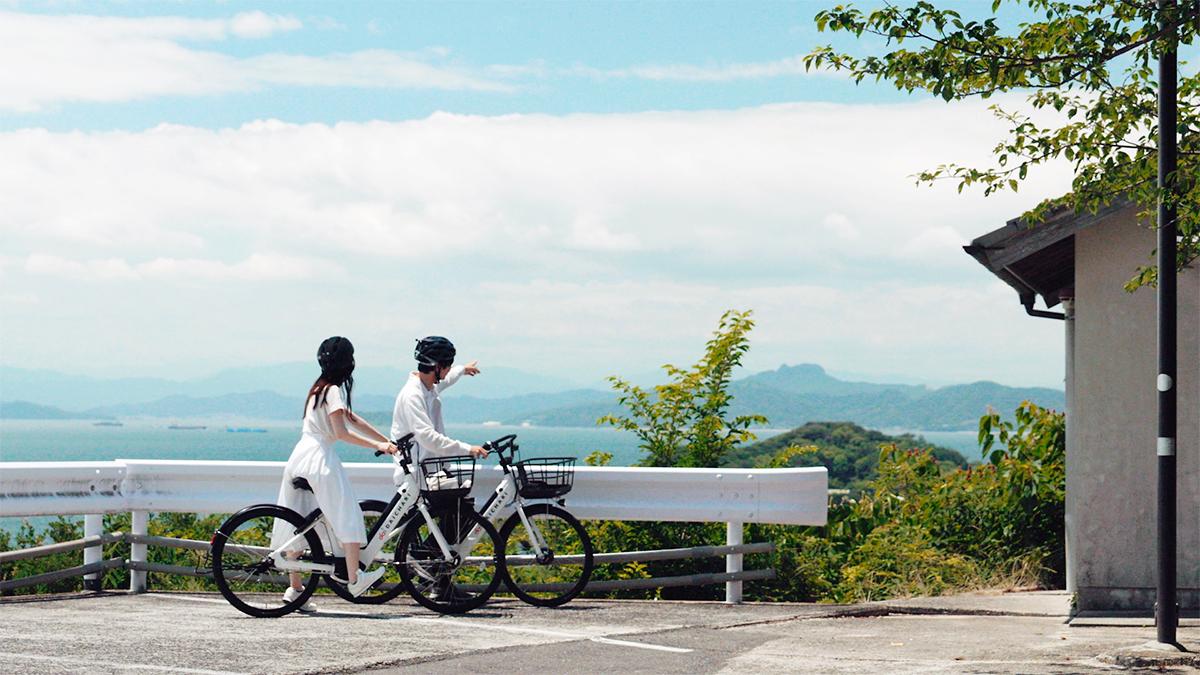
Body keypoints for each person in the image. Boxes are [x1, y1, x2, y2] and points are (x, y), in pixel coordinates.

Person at [271, 336, 396, 610]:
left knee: (300, 520)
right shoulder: (335, 390)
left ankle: (295, 589)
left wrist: (386, 441)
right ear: (348, 363)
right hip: (319, 459)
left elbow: (351, 418)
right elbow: (341, 432)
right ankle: (354, 578)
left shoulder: (318, 389)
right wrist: (378, 445)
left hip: (300, 456)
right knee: (348, 512)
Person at [390, 336, 489, 477]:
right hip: (415, 475)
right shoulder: (412, 395)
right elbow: (427, 437)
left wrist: (462, 369)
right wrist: (468, 449)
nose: (449, 369)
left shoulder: (428, 386)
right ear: (437, 367)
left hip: (430, 471)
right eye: (448, 366)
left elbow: (447, 379)